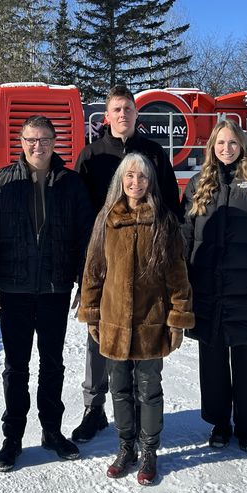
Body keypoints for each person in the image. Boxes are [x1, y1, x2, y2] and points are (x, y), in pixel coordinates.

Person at [0, 115, 94, 472]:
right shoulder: (1, 183)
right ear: (21, 142)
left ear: (54, 142)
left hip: (54, 288)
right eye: (31, 139)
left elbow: (86, 239)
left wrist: (83, 284)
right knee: (16, 366)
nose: (38, 146)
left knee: (53, 363)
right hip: (13, 288)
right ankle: (12, 438)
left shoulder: (71, 184)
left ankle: (52, 431)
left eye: (44, 139)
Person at [71, 84, 181, 443]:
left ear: (136, 114)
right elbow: (82, 216)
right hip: (107, 267)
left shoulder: (152, 152)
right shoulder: (91, 156)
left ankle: (137, 411)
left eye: (128, 109)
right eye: (116, 109)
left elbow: (171, 205)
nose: (122, 114)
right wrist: (85, 272)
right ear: (107, 116)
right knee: (99, 338)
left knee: (145, 341)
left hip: (149, 264)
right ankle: (94, 408)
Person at [79, 153, 194, 486]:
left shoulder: (163, 221)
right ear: (121, 179)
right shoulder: (106, 219)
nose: (135, 183)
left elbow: (177, 276)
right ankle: (125, 447)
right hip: (113, 322)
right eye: (129, 176)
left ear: (150, 182)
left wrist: (177, 317)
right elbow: (94, 271)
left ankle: (149, 451)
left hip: (150, 323)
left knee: (149, 389)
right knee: (119, 389)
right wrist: (92, 312)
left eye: (142, 177)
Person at [181, 120, 247, 452]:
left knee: (244, 362)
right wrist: (181, 278)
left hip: (246, 286)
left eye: (233, 143)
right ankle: (220, 425)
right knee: (211, 362)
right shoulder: (198, 183)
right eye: (220, 143)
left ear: (242, 145)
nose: (227, 148)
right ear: (212, 147)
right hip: (206, 287)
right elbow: (184, 234)